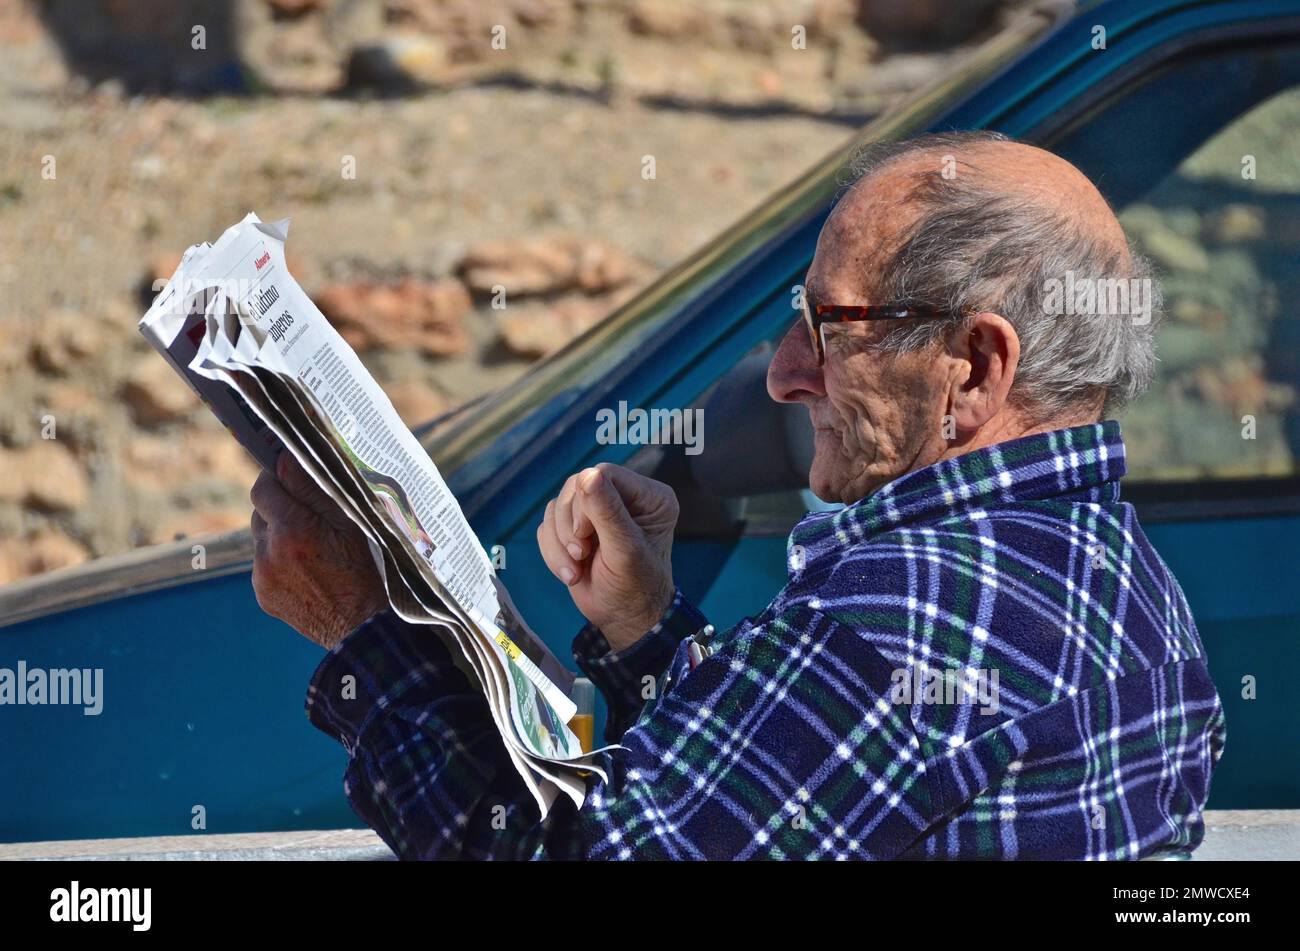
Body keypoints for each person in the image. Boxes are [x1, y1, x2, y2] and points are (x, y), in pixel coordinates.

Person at [250, 131, 1225, 859]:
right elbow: (798, 793)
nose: (786, 375)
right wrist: (643, 632)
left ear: (970, 368)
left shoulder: (914, 614)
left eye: (829, 326)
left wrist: (367, 623)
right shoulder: (1116, 571)